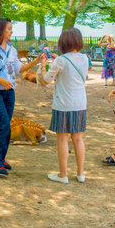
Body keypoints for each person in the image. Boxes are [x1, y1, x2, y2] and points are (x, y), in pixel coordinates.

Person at [0, 18, 41, 176]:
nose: (12, 31)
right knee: (4, 125)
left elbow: (19, 69)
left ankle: (0, 158)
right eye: (9, 29)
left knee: (6, 126)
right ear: (1, 31)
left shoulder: (12, 49)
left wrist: (36, 62)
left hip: (10, 92)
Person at [38, 28, 88, 184]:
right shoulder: (85, 58)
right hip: (80, 103)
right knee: (78, 139)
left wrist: (43, 65)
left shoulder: (61, 60)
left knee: (62, 139)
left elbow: (45, 80)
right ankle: (80, 174)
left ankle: (63, 174)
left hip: (63, 104)